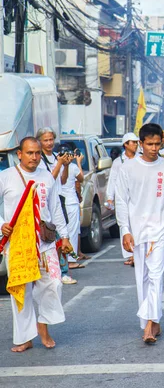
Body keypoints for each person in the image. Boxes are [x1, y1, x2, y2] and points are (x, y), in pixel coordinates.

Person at [1, 137, 71, 352]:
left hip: (45, 243)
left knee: (54, 283)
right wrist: (2, 224)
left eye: (37, 153)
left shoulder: (47, 178)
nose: (34, 157)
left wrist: (65, 236)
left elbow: (55, 209)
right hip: (18, 244)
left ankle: (43, 325)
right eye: (29, 153)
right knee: (22, 291)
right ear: (19, 154)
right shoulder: (6, 177)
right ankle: (25, 337)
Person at [115, 123, 164, 343]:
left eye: (157, 144)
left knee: (156, 275)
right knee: (142, 277)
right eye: (149, 144)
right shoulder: (127, 168)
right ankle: (152, 321)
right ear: (140, 144)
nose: (154, 148)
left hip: (160, 229)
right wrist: (125, 230)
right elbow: (122, 201)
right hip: (137, 230)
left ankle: (149, 326)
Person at [106, 133, 139, 265]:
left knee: (137, 224)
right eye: (133, 142)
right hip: (123, 196)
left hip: (137, 196)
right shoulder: (118, 162)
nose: (135, 144)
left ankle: (137, 253)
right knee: (125, 224)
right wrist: (110, 198)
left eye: (137, 142)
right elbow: (112, 180)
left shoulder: (140, 159)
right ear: (125, 144)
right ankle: (130, 254)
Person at [60, 146, 85, 280]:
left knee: (63, 232)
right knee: (72, 231)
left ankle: (65, 259)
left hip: (60, 203)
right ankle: (72, 259)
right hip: (71, 202)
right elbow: (80, 179)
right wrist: (79, 162)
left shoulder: (56, 165)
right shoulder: (73, 167)